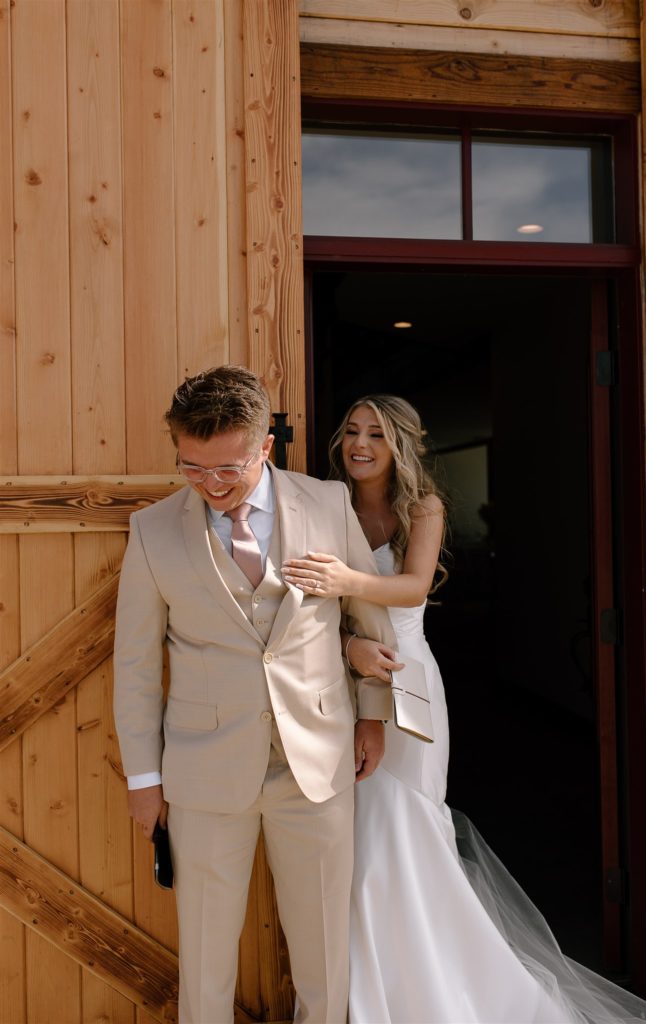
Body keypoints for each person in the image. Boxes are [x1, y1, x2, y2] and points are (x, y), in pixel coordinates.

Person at [282, 394, 646, 1024]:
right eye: (352, 432)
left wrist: (344, 580)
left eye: (377, 434)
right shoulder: (325, 502)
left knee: (407, 827)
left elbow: (414, 585)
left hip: (410, 681)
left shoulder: (422, 507)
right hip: (341, 683)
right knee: (355, 839)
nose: (360, 445)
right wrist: (346, 641)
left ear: (402, 446)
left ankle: (439, 990)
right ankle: (366, 989)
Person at [112, 366, 396, 1024]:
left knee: (325, 950)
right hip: (203, 772)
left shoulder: (327, 505)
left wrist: (374, 715)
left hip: (319, 762)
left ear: (264, 446)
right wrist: (143, 777)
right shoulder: (153, 531)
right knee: (207, 959)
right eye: (192, 468)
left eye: (228, 470)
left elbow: (365, 617)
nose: (211, 486)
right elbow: (134, 666)